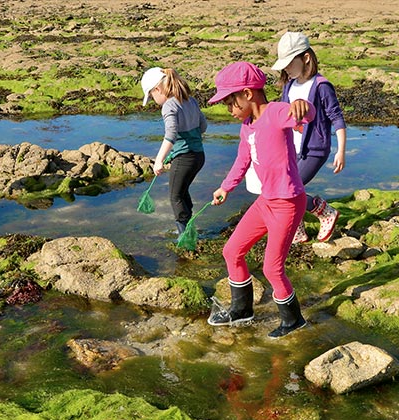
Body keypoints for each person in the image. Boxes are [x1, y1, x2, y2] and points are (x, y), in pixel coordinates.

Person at [206, 61, 316, 339]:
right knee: (232, 251)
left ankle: (293, 322)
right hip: (266, 202)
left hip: (288, 203)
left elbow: (306, 115)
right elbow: (242, 159)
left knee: (272, 267)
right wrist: (225, 187)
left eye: (230, 103)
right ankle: (242, 310)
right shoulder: (247, 125)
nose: (229, 110)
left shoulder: (277, 112)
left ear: (247, 93)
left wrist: (305, 105)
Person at [272, 31, 347, 244]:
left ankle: (325, 211)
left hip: (315, 149)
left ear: (305, 58)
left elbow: (337, 118)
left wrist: (340, 151)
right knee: (285, 188)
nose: (286, 68)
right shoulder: (289, 85)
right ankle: (299, 229)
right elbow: (283, 114)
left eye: (289, 63)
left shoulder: (321, 86)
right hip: (291, 148)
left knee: (288, 188)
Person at [141, 67, 207, 235]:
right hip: (199, 156)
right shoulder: (190, 100)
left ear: (158, 89)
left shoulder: (169, 105)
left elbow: (170, 134)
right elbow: (203, 126)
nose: (154, 100)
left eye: (152, 96)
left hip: (184, 159)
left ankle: (185, 236)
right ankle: (189, 228)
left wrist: (159, 160)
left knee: (175, 196)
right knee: (182, 191)